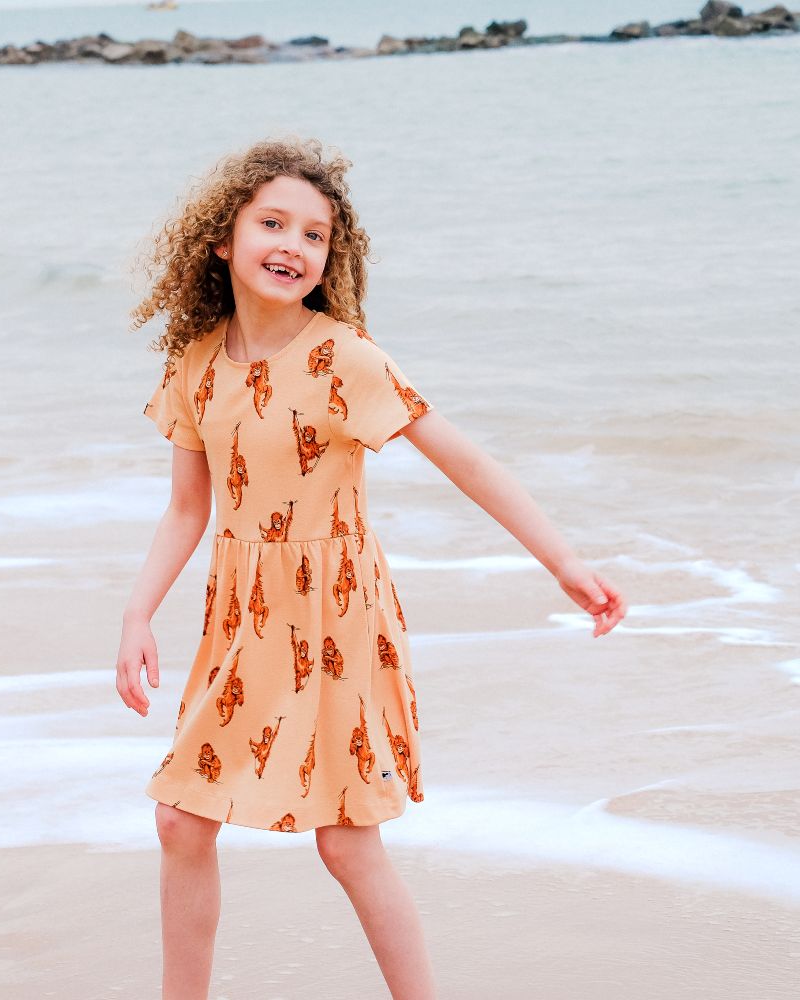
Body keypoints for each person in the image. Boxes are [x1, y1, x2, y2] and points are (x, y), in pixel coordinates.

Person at [116, 137, 626, 1000]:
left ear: (329, 258)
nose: (292, 245)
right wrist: (137, 616)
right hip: (242, 617)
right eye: (272, 223)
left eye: (314, 235)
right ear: (220, 238)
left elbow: (459, 457)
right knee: (180, 820)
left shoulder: (344, 357)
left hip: (335, 616)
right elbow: (188, 508)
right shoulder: (194, 363)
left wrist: (563, 561)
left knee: (346, 841)